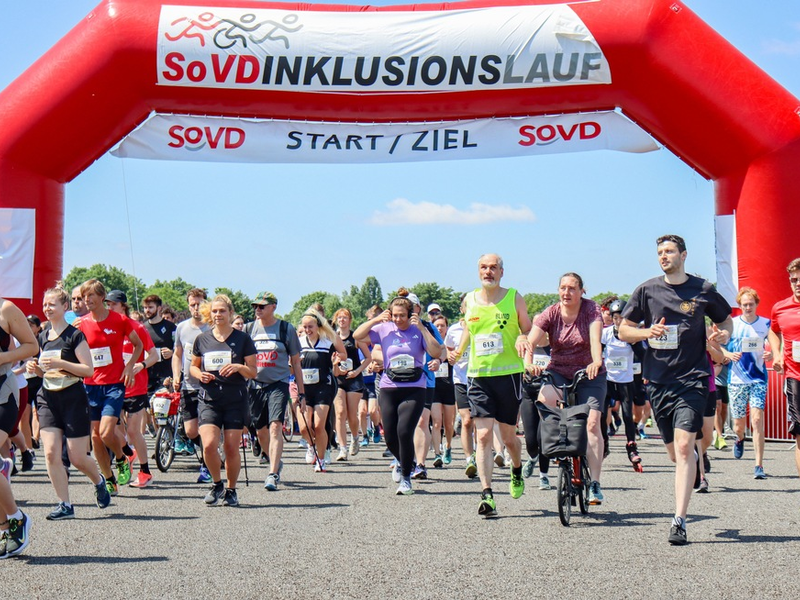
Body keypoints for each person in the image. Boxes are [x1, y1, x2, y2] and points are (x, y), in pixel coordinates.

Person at [619, 234, 732, 546]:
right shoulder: (647, 290)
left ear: (684, 255)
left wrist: (721, 336)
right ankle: (693, 465)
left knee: (684, 448)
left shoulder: (703, 289)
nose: (663, 256)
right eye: (659, 252)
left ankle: (679, 521)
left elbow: (726, 320)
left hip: (693, 379)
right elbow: (623, 329)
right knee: (674, 453)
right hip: (658, 382)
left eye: (669, 251)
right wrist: (646, 331)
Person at [453, 254, 531, 516]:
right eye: (484, 268)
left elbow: (528, 329)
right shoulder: (470, 300)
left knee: (508, 438)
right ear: (478, 272)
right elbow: (468, 330)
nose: (489, 272)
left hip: (508, 375)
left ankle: (517, 468)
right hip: (478, 376)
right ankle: (487, 494)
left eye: (493, 268)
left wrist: (522, 337)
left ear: (501, 272)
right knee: (484, 435)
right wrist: (457, 351)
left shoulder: (513, 297)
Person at [27, 286, 111, 520]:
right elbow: (46, 372)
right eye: (45, 304)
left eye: (52, 304)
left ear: (65, 307)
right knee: (51, 453)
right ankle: (65, 504)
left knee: (76, 457)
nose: (47, 308)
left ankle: (98, 480)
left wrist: (61, 364)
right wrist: (36, 369)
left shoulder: (75, 336)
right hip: (47, 398)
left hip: (73, 398)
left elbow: (88, 370)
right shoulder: (43, 336)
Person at [527, 273, 606, 503]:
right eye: (563, 288)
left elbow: (594, 337)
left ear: (582, 291)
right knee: (545, 401)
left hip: (589, 372)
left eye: (572, 288)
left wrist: (596, 361)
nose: (566, 293)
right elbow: (531, 340)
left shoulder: (591, 310)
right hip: (559, 370)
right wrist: (528, 363)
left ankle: (595, 484)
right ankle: (556, 450)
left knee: (592, 423)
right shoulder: (551, 312)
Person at [355, 296, 441, 494]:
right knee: (391, 436)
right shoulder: (384, 328)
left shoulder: (418, 330)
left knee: (404, 430)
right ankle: (406, 460)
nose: (398, 319)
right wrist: (376, 320)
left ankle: (405, 478)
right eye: (394, 315)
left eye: (402, 315)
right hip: (389, 387)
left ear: (411, 315)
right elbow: (359, 336)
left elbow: (436, 351)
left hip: (415, 387)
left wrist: (422, 328)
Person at [75, 279, 143, 497]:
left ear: (102, 298)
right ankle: (109, 478)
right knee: (95, 437)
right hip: (90, 385)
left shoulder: (120, 321)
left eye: (90, 296)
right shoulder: (81, 323)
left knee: (105, 432)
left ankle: (122, 458)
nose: (86, 300)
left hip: (114, 385)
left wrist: (131, 365)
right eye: (84, 297)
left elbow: (138, 344)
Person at [190, 294, 257, 507]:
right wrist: (200, 375)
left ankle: (231, 489)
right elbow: (193, 366)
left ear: (230, 313)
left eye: (222, 311)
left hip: (235, 399)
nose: (218, 315)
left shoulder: (243, 339)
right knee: (208, 445)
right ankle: (217, 483)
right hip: (209, 398)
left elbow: (253, 372)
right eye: (215, 311)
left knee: (230, 447)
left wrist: (238, 367)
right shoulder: (202, 339)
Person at [244, 291, 305, 491]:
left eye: (262, 306)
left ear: (273, 307)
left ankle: (272, 474)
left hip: (278, 383)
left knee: (275, 426)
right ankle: (274, 459)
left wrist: (301, 393)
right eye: (255, 306)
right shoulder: (248, 329)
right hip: (255, 385)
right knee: (261, 431)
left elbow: (295, 362)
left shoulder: (285, 329)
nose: (257, 310)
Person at [105, 291, 160, 488]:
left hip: (136, 387)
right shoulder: (107, 328)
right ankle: (129, 453)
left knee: (134, 431)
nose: (109, 307)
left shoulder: (137, 327)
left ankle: (145, 472)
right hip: (113, 386)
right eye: (107, 304)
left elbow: (154, 355)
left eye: (112, 304)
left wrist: (141, 365)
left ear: (123, 306)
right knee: (110, 429)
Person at [0, 297, 39, 558]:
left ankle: (17, 517)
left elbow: (31, 346)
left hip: (2, 391)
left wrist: (4, 356)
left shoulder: (5, 309)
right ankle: (5, 528)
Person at [721, 288, 771, 479]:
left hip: (758, 378)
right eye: (744, 305)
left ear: (756, 304)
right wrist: (728, 355)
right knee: (738, 425)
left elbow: (775, 345)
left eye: (751, 304)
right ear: (740, 306)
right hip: (736, 380)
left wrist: (771, 354)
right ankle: (740, 438)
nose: (748, 307)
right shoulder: (732, 324)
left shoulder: (765, 324)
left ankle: (758, 465)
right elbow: (719, 347)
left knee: (757, 420)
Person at [172, 289, 213, 483]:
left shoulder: (212, 327)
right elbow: (177, 354)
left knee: (206, 428)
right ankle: (210, 452)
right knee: (190, 431)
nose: (196, 308)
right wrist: (175, 375)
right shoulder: (182, 328)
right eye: (192, 304)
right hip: (188, 385)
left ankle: (207, 465)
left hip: (209, 385)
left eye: (200, 304)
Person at [296, 309, 344, 473]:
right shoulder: (298, 343)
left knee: (318, 425)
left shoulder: (327, 341)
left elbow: (343, 354)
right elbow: (290, 367)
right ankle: (311, 445)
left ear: (318, 327)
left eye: (311, 327)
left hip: (323, 387)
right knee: (304, 428)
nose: (308, 330)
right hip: (303, 388)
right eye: (305, 327)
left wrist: (337, 360)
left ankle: (321, 459)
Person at [767, 257, 800, 482]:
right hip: (794, 376)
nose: (797, 283)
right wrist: (777, 354)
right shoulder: (780, 307)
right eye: (793, 280)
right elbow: (772, 331)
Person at [601, 299, 644, 471]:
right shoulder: (606, 333)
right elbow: (597, 350)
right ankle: (604, 443)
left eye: (621, 318)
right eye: (616, 318)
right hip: (608, 379)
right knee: (603, 414)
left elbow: (643, 354)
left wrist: (634, 343)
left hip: (626, 380)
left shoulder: (631, 334)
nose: (618, 321)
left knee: (628, 415)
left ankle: (631, 448)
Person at [332, 308, 371, 461]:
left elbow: (368, 358)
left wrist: (357, 371)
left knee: (351, 414)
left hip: (353, 379)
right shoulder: (332, 338)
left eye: (345, 317)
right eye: (339, 317)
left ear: (350, 320)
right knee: (340, 413)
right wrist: (335, 367)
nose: (342, 320)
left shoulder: (356, 337)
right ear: (336, 320)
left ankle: (355, 437)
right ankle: (342, 448)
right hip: (338, 379)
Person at [142, 294, 176, 394]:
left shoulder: (171, 327)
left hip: (165, 376)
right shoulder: (142, 328)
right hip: (147, 376)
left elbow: (179, 349)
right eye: (145, 308)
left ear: (159, 308)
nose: (147, 310)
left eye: (151, 307)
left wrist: (172, 352)